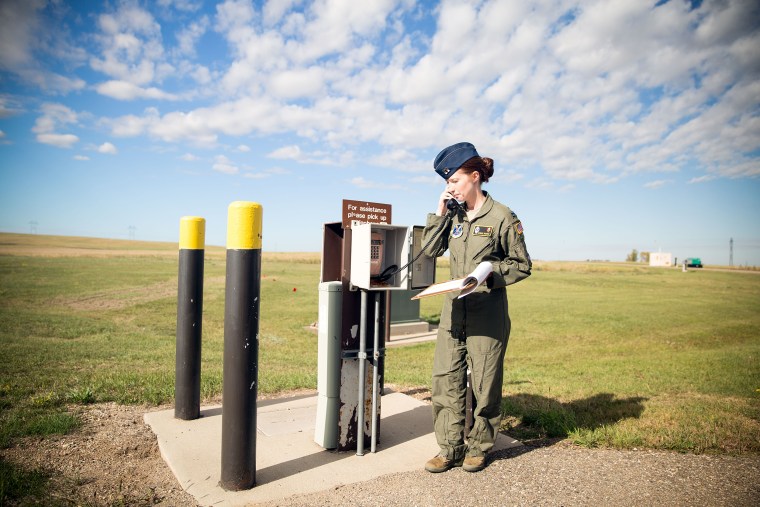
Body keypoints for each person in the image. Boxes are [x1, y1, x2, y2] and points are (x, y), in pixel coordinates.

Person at [421, 141, 532, 473]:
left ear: (474, 177)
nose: (449, 187)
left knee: (484, 382)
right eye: (446, 182)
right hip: (453, 311)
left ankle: (479, 447)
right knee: (446, 379)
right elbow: (429, 251)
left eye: (453, 180)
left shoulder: (502, 216)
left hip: (487, 311)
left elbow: (521, 264)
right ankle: (449, 448)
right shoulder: (452, 215)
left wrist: (486, 276)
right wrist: (439, 213)